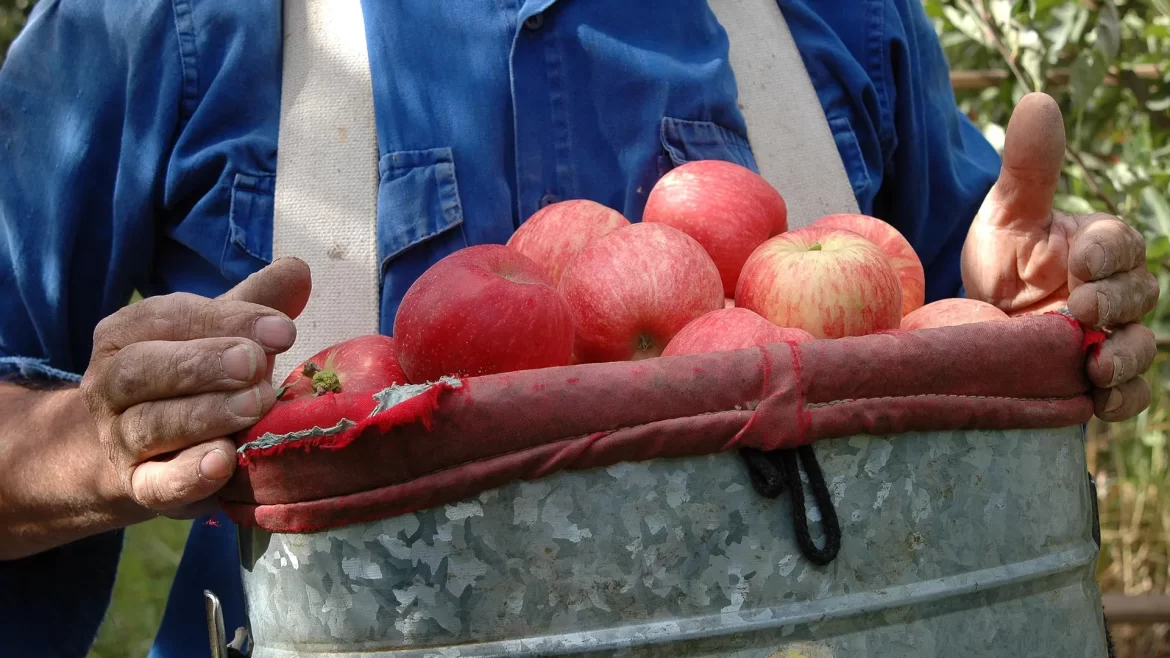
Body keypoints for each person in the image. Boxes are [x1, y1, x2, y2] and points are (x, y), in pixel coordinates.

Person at [0, 0, 1158, 655]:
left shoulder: (834, 20)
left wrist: (1015, 306)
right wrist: (86, 447)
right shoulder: (153, 24)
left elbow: (969, 301)